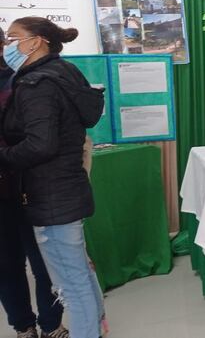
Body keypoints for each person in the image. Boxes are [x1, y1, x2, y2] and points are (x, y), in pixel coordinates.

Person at [0, 17, 106, 338]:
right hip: (66, 190)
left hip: (50, 196)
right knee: (80, 275)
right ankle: (96, 324)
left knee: (72, 285)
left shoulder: (36, 85)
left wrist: (2, 157)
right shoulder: (63, 72)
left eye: (13, 38)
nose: (8, 46)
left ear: (36, 42)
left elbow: (40, 144)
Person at [0, 26, 69, 338]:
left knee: (44, 261)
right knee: (5, 263)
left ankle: (51, 324)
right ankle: (23, 325)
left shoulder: (21, 80)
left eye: (11, 40)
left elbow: (40, 137)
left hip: (31, 184)